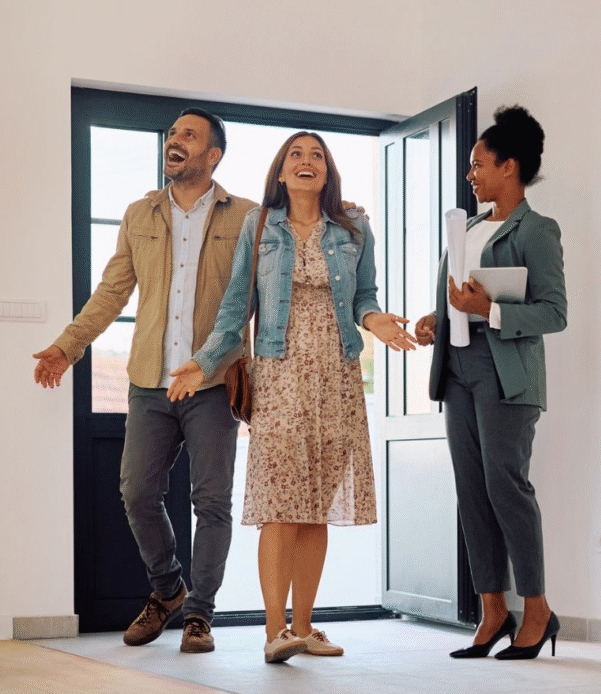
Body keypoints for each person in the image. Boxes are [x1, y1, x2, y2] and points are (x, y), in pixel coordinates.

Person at [168, 131, 416, 663]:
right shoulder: (259, 227)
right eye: (296, 156)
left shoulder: (353, 227)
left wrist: (381, 324)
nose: (307, 162)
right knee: (281, 507)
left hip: (338, 378)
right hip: (279, 377)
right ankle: (274, 631)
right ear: (280, 172)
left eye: (317, 156)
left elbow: (365, 297)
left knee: (315, 511)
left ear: (327, 172)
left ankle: (304, 627)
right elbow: (236, 309)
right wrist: (202, 360)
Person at [33, 108, 257, 653]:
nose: (174, 141)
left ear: (213, 155)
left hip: (212, 382)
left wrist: (343, 215)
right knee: (136, 491)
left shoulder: (249, 215)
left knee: (212, 502)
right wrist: (69, 345)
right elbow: (112, 293)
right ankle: (168, 590)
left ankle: (200, 613)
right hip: (149, 382)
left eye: (188, 135)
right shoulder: (139, 214)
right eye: (172, 134)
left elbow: (258, 295)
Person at [415, 105, 567, 661]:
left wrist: (492, 309)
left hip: (507, 372)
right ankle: (493, 610)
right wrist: (437, 319)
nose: (470, 174)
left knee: (507, 487)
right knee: (472, 491)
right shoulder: (469, 229)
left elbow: (554, 312)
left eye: (479, 164)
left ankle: (539, 609)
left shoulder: (537, 230)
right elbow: (456, 297)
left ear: (510, 166)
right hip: (457, 367)